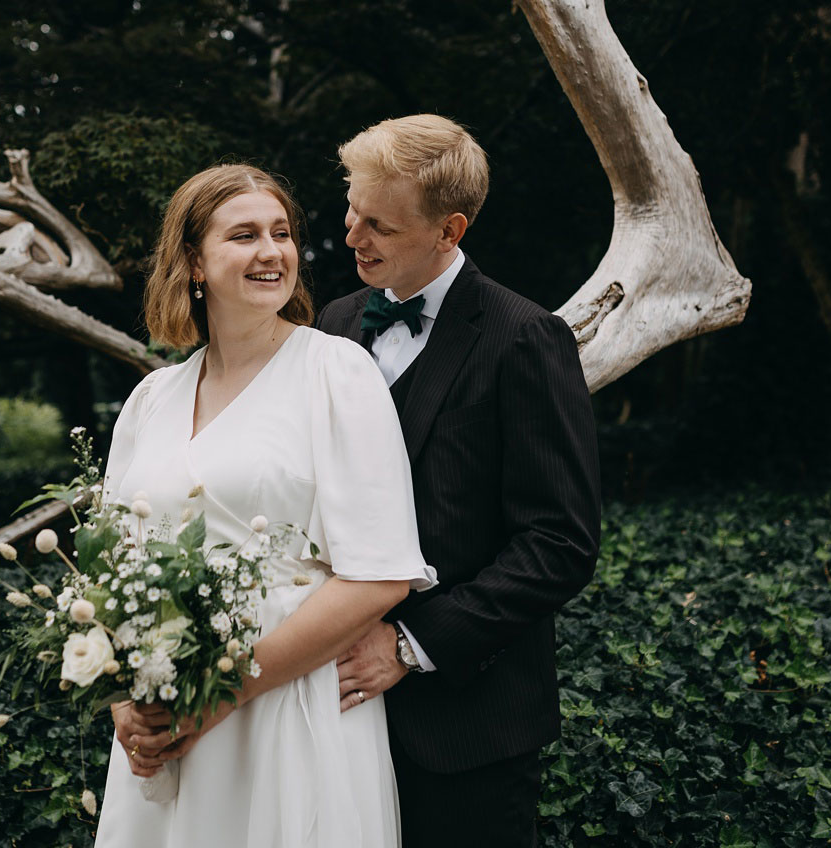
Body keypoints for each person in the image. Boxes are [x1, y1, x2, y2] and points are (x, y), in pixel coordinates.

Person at [94, 164, 437, 847]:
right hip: (168, 717)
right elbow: (109, 578)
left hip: (289, 704)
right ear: (193, 259)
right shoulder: (152, 398)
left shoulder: (336, 373)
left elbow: (379, 574)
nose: (271, 251)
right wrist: (123, 705)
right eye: (244, 235)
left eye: (281, 233)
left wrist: (223, 694)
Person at [318, 114, 602, 848]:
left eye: (378, 224)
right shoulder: (334, 324)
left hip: (467, 732)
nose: (352, 236)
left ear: (449, 230)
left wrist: (411, 644)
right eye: (352, 210)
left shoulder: (524, 338)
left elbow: (558, 544)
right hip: (330, 719)